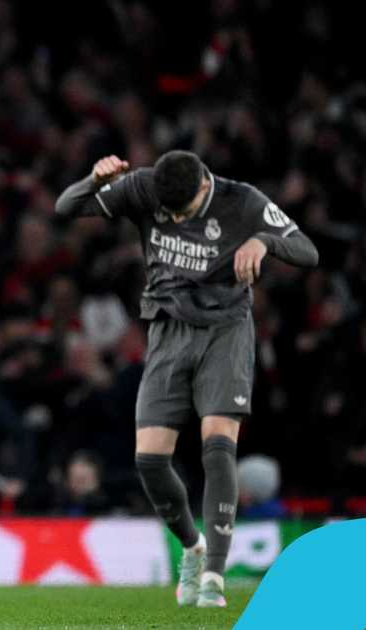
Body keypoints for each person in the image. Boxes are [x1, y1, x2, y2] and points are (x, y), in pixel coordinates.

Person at [55, 151, 318, 608]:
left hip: (225, 330)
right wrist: (93, 180)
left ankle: (214, 576)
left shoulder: (243, 201)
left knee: (217, 444)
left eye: (185, 212)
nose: (175, 219)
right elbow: (66, 208)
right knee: (150, 461)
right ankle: (193, 549)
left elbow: (309, 252)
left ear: (203, 187)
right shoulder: (143, 186)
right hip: (166, 328)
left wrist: (263, 241)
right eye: (168, 213)